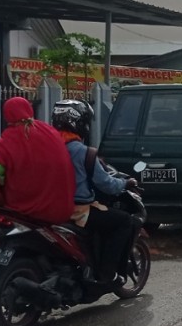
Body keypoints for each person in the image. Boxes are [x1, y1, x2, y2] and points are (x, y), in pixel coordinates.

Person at [0, 97, 75, 300]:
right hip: (57, 210)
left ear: (7, 115)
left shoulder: (9, 138)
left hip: (22, 210)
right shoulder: (49, 132)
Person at [51, 99, 137, 285]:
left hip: (49, 208)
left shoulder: (46, 146)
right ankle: (107, 272)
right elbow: (106, 184)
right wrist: (125, 183)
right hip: (77, 211)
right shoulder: (81, 151)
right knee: (124, 221)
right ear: (79, 123)